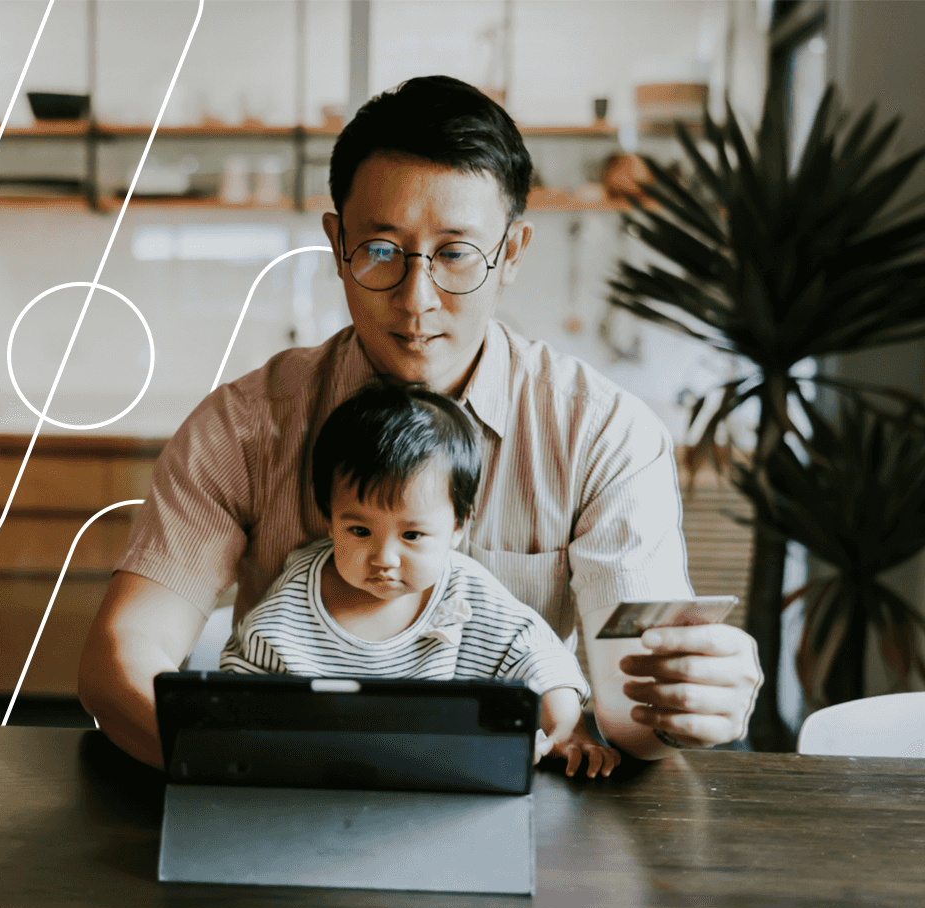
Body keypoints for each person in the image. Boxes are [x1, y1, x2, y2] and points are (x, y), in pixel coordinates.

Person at [78, 75, 763, 770]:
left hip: (512, 801)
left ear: (513, 254)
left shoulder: (602, 434)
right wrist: (235, 766)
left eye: (456, 254)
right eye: (381, 251)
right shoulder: (245, 427)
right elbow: (123, 653)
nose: (417, 300)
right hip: (284, 794)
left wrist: (687, 698)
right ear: (338, 244)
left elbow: (629, 710)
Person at [220, 384, 620, 778]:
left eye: (412, 536)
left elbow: (537, 655)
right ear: (329, 517)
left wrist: (568, 727)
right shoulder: (290, 609)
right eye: (359, 530)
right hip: (321, 786)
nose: (384, 558)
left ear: (458, 527)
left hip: (450, 785)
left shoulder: (466, 591)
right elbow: (236, 697)